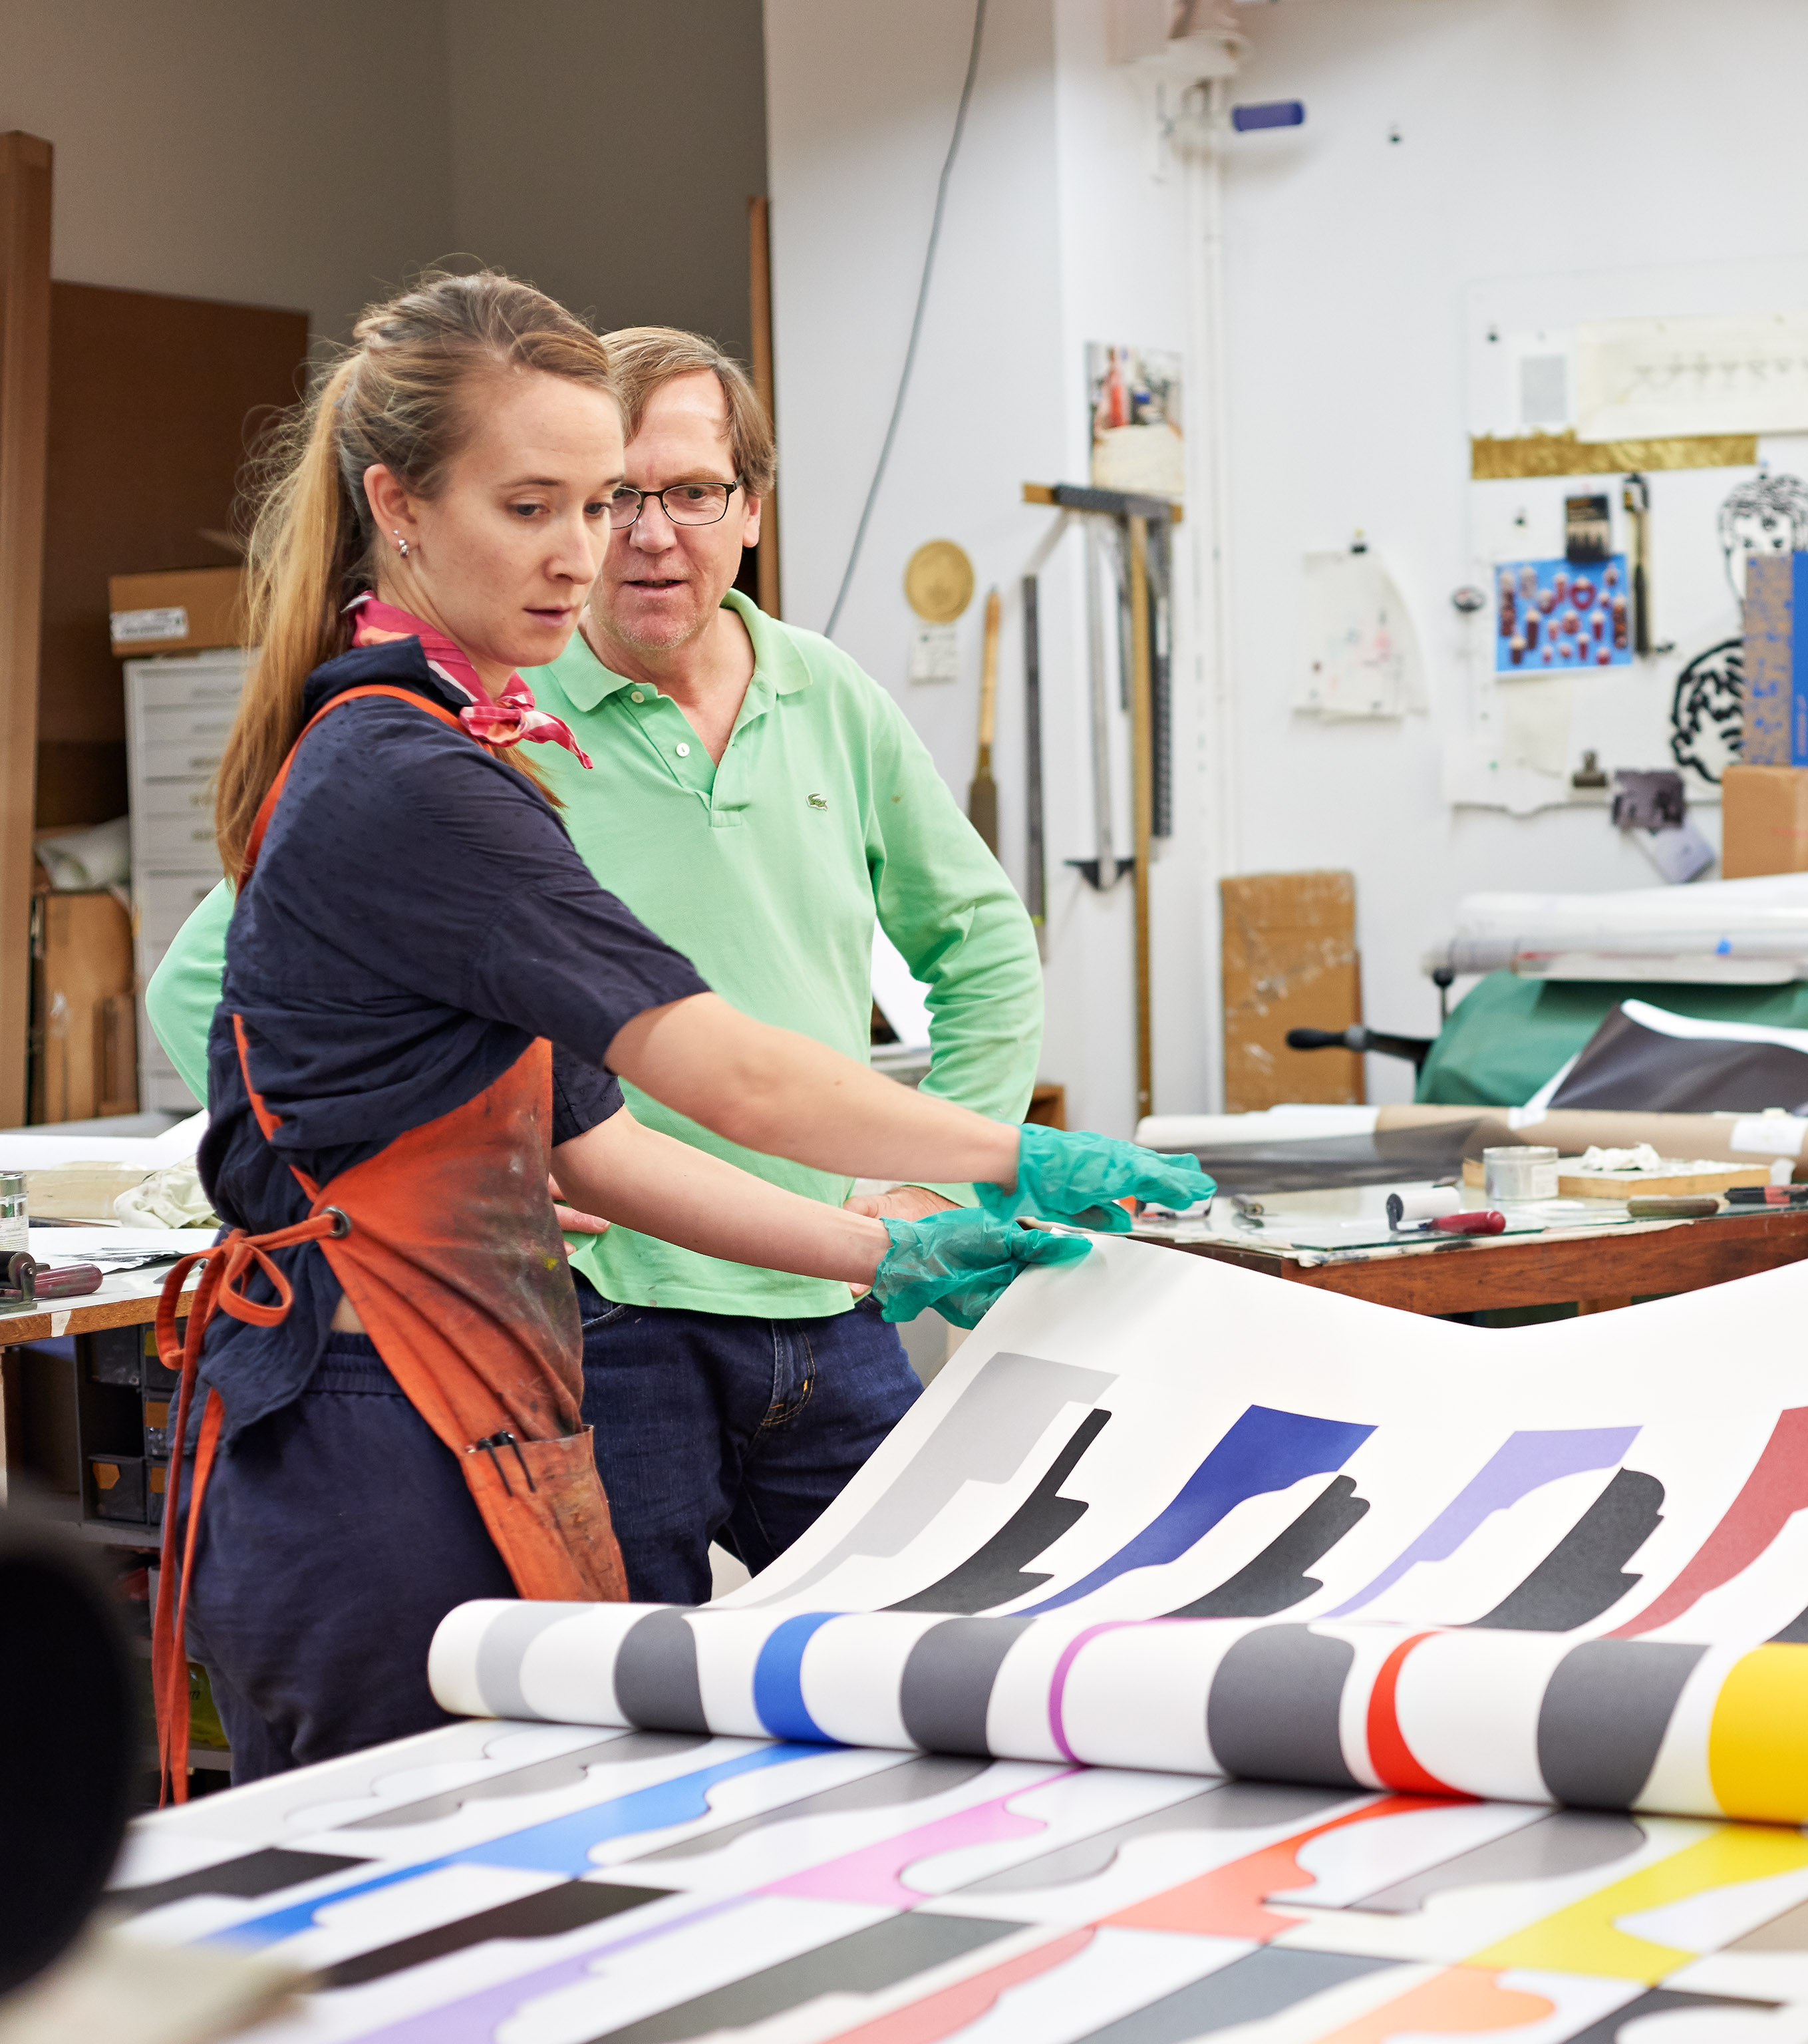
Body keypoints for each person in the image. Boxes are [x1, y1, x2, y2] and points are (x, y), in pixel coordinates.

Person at [152, 271, 1206, 1788]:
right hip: (377, 1426)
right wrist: (1011, 1155)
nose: (590, 552)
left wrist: (881, 1254)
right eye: (537, 507)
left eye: (605, 504)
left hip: (476, 1397)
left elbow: (598, 1141)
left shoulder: (467, 739)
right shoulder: (413, 777)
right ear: (398, 505)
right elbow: (724, 1072)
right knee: (425, 1876)